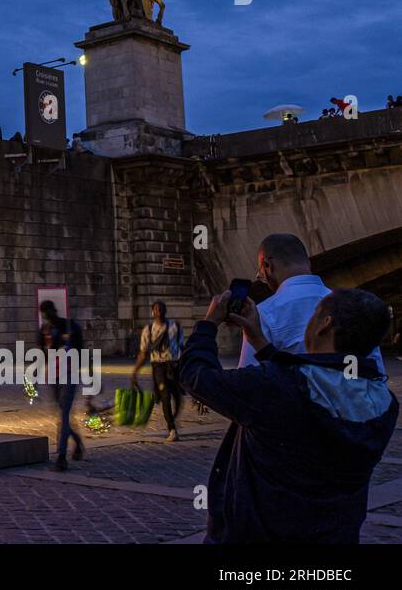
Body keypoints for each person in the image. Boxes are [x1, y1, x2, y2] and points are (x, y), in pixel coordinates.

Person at [180, 287, 398, 543]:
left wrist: (208, 324)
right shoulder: (385, 403)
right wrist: (259, 341)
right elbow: (313, 383)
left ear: (324, 324)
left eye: (315, 314)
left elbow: (197, 377)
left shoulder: (279, 386)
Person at [240, 233, 385, 375]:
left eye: (262, 277)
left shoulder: (262, 314)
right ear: (309, 263)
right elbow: (376, 372)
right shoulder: (355, 306)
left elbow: (247, 379)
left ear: (267, 265)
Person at [38, 300, 85, 470]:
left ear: (53, 311)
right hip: (53, 377)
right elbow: (41, 354)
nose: (45, 315)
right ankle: (78, 441)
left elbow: (81, 352)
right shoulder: (44, 330)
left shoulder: (70, 327)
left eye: (47, 311)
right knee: (62, 414)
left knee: (63, 414)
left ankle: (61, 456)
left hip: (69, 375)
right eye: (43, 312)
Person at [130, 301, 183, 441]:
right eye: (156, 309)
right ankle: (172, 428)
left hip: (174, 365)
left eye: (161, 308)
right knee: (165, 396)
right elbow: (143, 353)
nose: (159, 311)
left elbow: (182, 347)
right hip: (158, 367)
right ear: (153, 312)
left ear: (165, 310)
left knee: (177, 397)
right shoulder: (148, 329)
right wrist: (135, 371)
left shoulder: (175, 326)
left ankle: (172, 417)